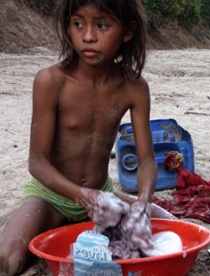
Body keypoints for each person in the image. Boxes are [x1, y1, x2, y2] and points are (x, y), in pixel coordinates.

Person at [0, 1, 162, 275]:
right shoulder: (51, 81)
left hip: (104, 197)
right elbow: (37, 163)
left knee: (169, 227)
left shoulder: (134, 87)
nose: (87, 36)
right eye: (78, 24)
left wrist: (144, 202)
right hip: (51, 196)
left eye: (102, 25)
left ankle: (50, 224)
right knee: (8, 261)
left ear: (127, 31)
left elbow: (146, 158)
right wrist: (83, 196)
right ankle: (21, 218)